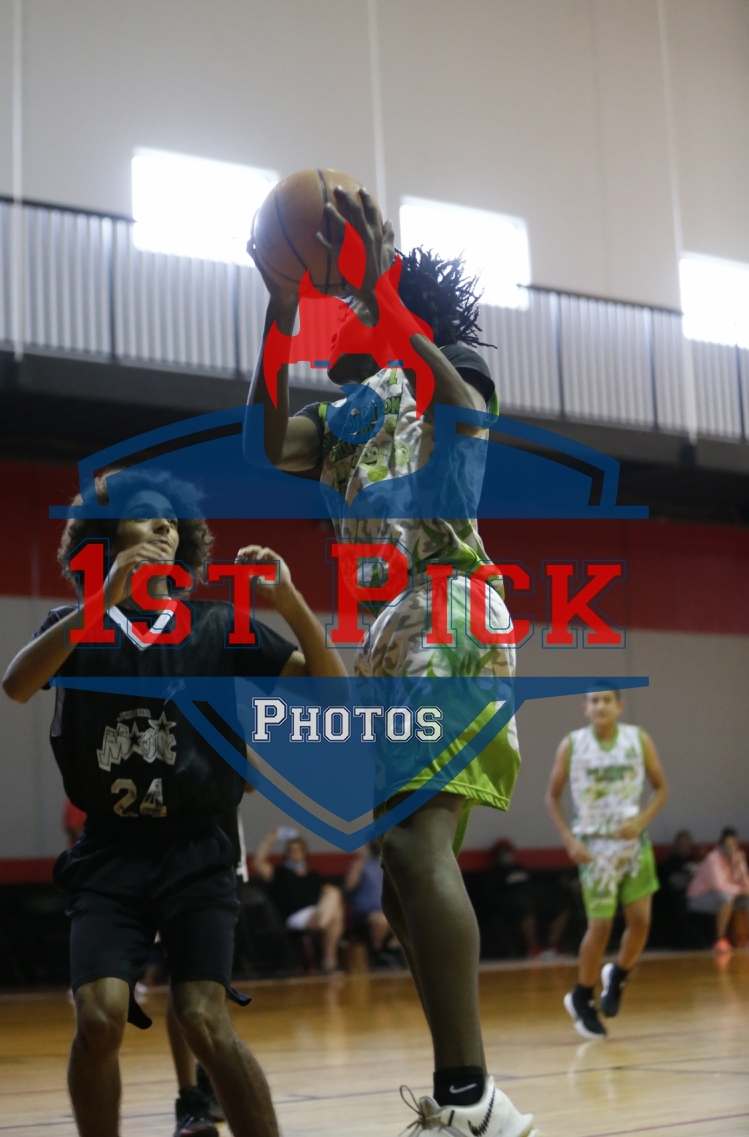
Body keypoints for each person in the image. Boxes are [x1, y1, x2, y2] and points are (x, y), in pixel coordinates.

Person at [247, 187, 538, 1136]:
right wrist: (277, 310)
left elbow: (460, 409)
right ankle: (478, 1102)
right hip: (384, 637)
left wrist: (380, 296)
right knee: (405, 887)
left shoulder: (447, 368)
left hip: (449, 605)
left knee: (414, 847)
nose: (339, 313)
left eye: (353, 301)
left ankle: (468, 1097)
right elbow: (265, 442)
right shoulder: (346, 417)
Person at [2, 468, 346, 1137]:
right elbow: (17, 685)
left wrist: (292, 602)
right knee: (98, 1017)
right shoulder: (77, 627)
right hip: (110, 852)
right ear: (106, 536)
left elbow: (332, 696)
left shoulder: (218, 623)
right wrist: (103, 597)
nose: (163, 525)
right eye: (143, 515)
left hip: (198, 852)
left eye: (171, 519)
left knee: (202, 1019)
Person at [545, 687, 668, 1040]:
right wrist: (569, 839)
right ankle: (581, 996)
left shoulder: (638, 740)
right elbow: (552, 796)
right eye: (594, 701)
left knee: (641, 923)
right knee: (599, 927)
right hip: (594, 847)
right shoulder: (572, 745)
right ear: (585, 707)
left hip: (632, 845)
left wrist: (641, 821)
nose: (600, 705)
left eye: (606, 700)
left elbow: (661, 789)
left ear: (619, 706)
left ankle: (618, 975)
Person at [255, 830, 345, 972]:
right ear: (286, 853)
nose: (295, 853)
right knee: (336, 915)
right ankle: (329, 961)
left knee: (334, 896)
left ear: (304, 853)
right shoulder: (280, 873)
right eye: (291, 850)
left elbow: (328, 895)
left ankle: (321, 927)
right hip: (295, 916)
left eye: (298, 850)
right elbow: (258, 864)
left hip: (316, 912)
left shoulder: (313, 875)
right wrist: (269, 840)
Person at [687, 827, 749, 952]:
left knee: (746, 899)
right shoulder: (713, 859)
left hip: (727, 895)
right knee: (726, 897)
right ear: (721, 846)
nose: (730, 848)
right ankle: (720, 939)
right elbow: (719, 886)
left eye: (733, 845)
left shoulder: (738, 859)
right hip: (699, 897)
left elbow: (746, 885)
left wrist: (740, 866)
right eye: (727, 845)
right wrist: (740, 890)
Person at [344, 842, 402, 966]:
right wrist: (358, 863)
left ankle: (391, 950)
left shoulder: (389, 864)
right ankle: (377, 953)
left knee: (411, 920)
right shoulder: (361, 863)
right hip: (364, 912)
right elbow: (349, 886)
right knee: (381, 920)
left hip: (387, 910)